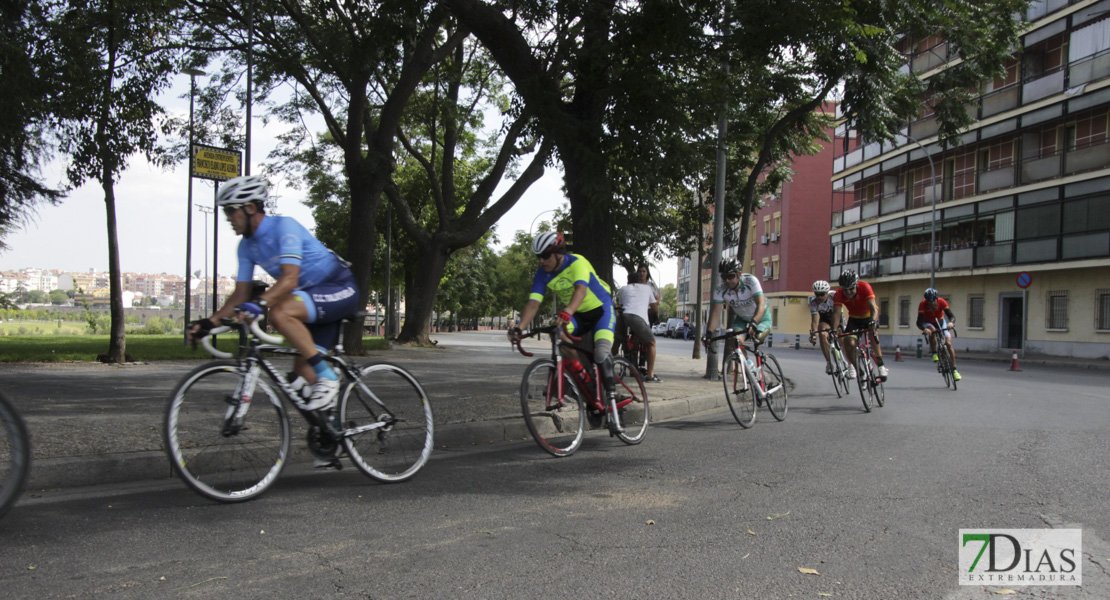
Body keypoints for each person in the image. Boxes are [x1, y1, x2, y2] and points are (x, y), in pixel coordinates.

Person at [186, 175, 361, 412]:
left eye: (230, 210)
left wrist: (260, 303)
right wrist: (209, 322)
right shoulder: (246, 247)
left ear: (249, 208)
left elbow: (290, 278)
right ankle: (335, 433)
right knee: (302, 373)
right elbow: (240, 295)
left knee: (279, 312)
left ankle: (329, 379)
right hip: (312, 302)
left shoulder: (283, 227)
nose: (227, 218)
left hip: (339, 287)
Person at [508, 232, 618, 413]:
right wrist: (519, 328)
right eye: (538, 257)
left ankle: (612, 402)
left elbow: (580, 290)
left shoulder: (577, 262)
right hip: (578, 314)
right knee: (558, 334)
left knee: (601, 354)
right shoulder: (543, 273)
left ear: (559, 253)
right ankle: (583, 377)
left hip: (601, 311)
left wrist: (567, 311)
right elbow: (534, 303)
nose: (541, 261)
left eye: (545, 256)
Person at [702, 259, 772, 352]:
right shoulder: (720, 289)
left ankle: (760, 361)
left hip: (761, 317)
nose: (727, 280)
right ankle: (748, 364)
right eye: (723, 277)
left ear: (739, 274)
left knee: (758, 337)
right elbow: (715, 314)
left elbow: (761, 304)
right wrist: (709, 334)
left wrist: (754, 323)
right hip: (742, 319)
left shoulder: (751, 281)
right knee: (735, 340)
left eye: (730, 276)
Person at [830, 269, 888, 381]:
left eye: (851, 288)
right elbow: (837, 313)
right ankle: (860, 372)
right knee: (848, 342)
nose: (848, 292)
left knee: (873, 335)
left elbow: (873, 308)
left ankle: (881, 365)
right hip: (854, 319)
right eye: (845, 289)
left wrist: (872, 321)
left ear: (856, 285)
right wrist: (833, 329)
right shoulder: (839, 294)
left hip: (868, 316)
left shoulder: (865, 287)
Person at [615, 267, 661, 382]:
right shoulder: (647, 288)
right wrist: (645, 310)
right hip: (638, 318)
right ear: (639, 280)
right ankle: (650, 375)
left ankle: (606, 367)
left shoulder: (622, 289)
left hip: (623, 316)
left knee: (616, 342)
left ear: (628, 280)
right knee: (651, 343)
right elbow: (655, 309)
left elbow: (622, 305)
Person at [918, 287, 961, 381]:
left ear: (937, 299)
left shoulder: (942, 302)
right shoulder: (922, 304)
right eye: (929, 301)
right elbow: (919, 321)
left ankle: (954, 370)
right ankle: (934, 352)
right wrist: (924, 329)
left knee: (948, 344)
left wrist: (951, 323)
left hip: (941, 322)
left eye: (934, 301)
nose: (932, 303)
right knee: (932, 330)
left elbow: (951, 315)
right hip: (928, 322)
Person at [807, 280, 839, 374]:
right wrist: (813, 334)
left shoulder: (834, 296)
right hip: (825, 320)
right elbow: (814, 321)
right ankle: (829, 362)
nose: (819, 297)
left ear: (827, 293)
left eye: (822, 294)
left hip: (837, 319)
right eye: (817, 294)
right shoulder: (813, 302)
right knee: (821, 332)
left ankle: (849, 365)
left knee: (843, 340)